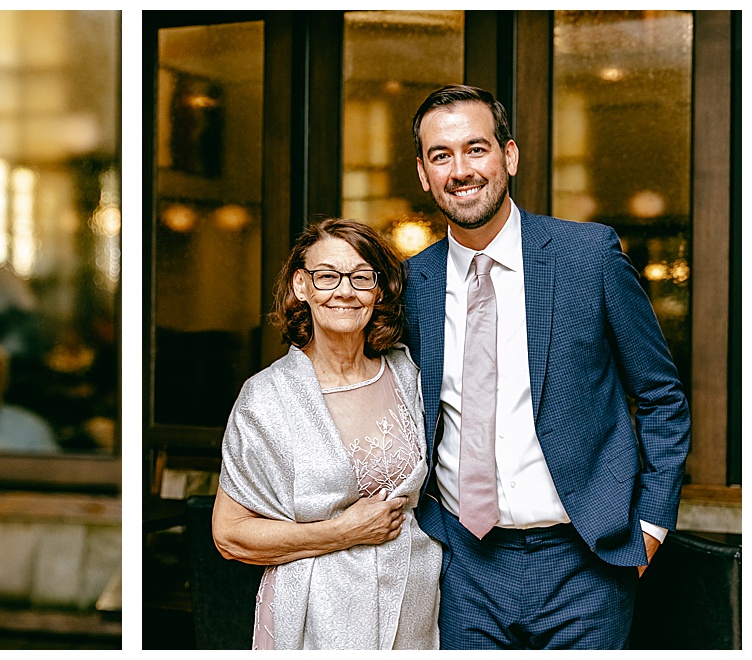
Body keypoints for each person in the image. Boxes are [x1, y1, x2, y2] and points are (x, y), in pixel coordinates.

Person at [404, 84, 690, 649]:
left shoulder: (589, 257)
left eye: (476, 148)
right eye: (441, 155)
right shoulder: (412, 284)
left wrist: (650, 528)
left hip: (586, 563)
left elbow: (662, 397)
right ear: (423, 173)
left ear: (508, 156)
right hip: (462, 565)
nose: (460, 170)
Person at [212, 218, 440, 650]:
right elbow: (229, 534)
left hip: (415, 605)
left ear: (378, 289)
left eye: (361, 277)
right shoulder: (267, 397)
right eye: (327, 276)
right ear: (302, 286)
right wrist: (343, 532)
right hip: (319, 615)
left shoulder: (408, 373)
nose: (345, 291)